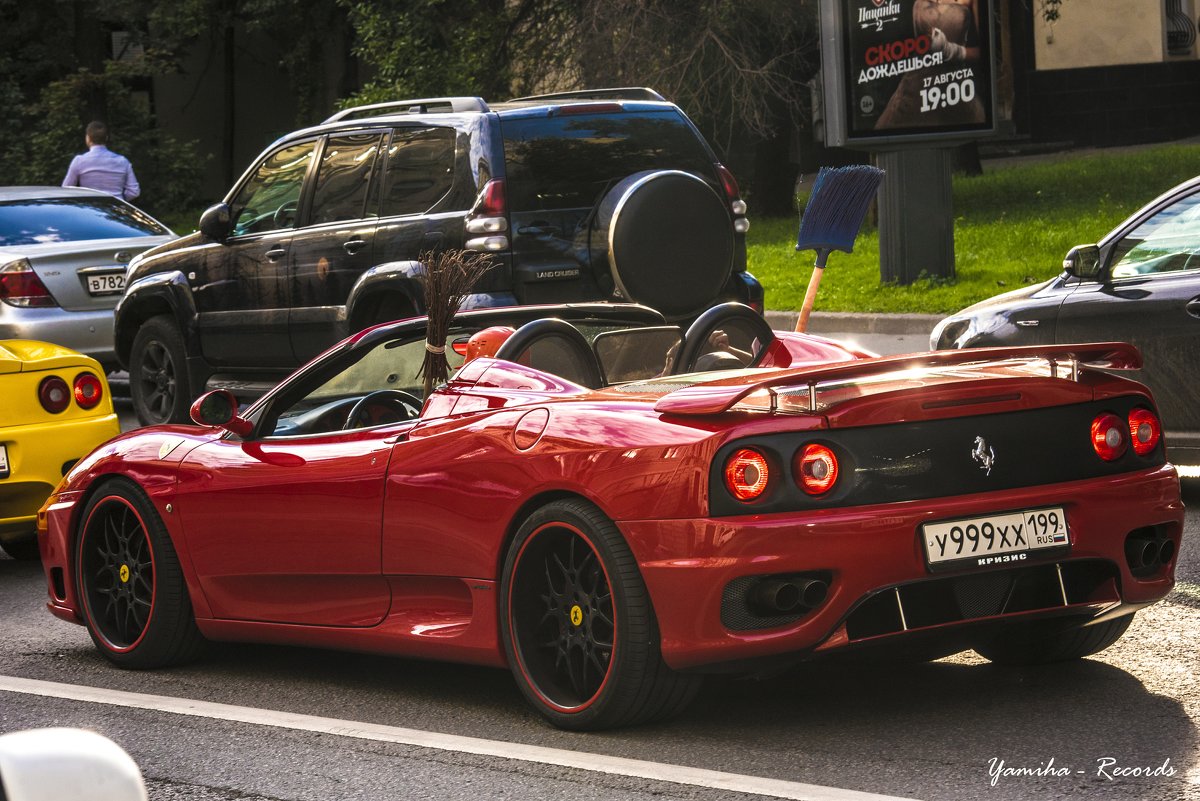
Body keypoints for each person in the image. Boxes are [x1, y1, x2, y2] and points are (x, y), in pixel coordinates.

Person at [62, 121, 141, 201]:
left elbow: (66, 190)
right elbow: (134, 192)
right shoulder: (123, 161)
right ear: (106, 138)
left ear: (88, 138)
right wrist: (120, 201)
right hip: (116, 210)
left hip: (89, 209)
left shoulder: (79, 161)